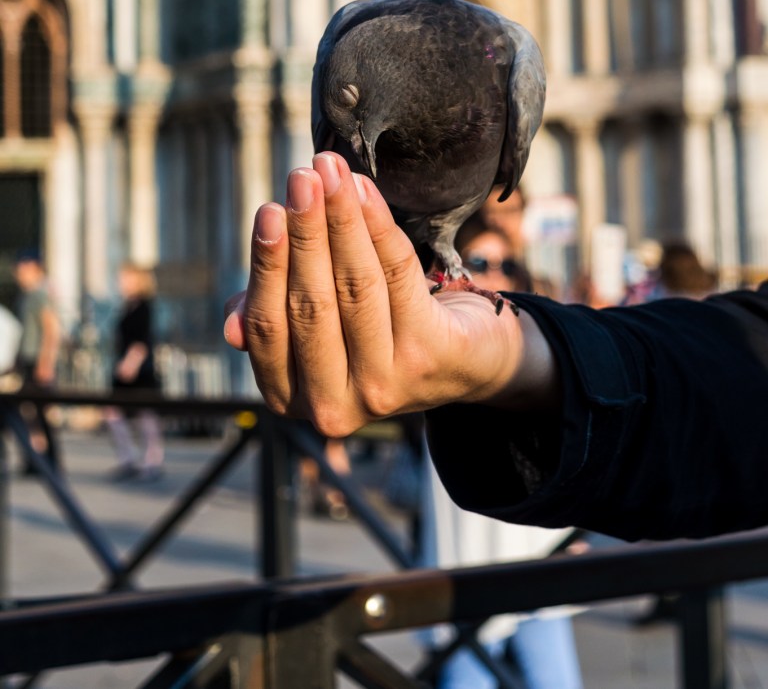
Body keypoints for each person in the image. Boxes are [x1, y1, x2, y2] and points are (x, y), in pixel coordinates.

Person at [224, 152, 768, 543]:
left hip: (531, 551)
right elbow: (732, 366)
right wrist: (517, 352)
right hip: (471, 530)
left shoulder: (530, 268)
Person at [421, 216, 583, 689]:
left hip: (537, 561)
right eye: (479, 262)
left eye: (505, 264)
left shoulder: (542, 346)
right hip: (464, 572)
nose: (493, 273)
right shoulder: (434, 345)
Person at [104, 264, 164, 481]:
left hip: (138, 370)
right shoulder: (126, 306)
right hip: (124, 369)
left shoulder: (144, 307)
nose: (120, 284)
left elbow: (142, 341)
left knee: (146, 416)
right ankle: (128, 459)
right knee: (113, 413)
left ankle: (152, 461)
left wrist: (130, 363)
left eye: (125, 279)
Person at [13, 252, 62, 473]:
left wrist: (46, 363)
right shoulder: (27, 296)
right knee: (28, 413)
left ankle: (49, 461)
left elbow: (51, 329)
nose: (19, 275)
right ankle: (35, 458)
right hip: (27, 358)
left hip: (38, 360)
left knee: (40, 413)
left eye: (23, 270)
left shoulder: (41, 295)